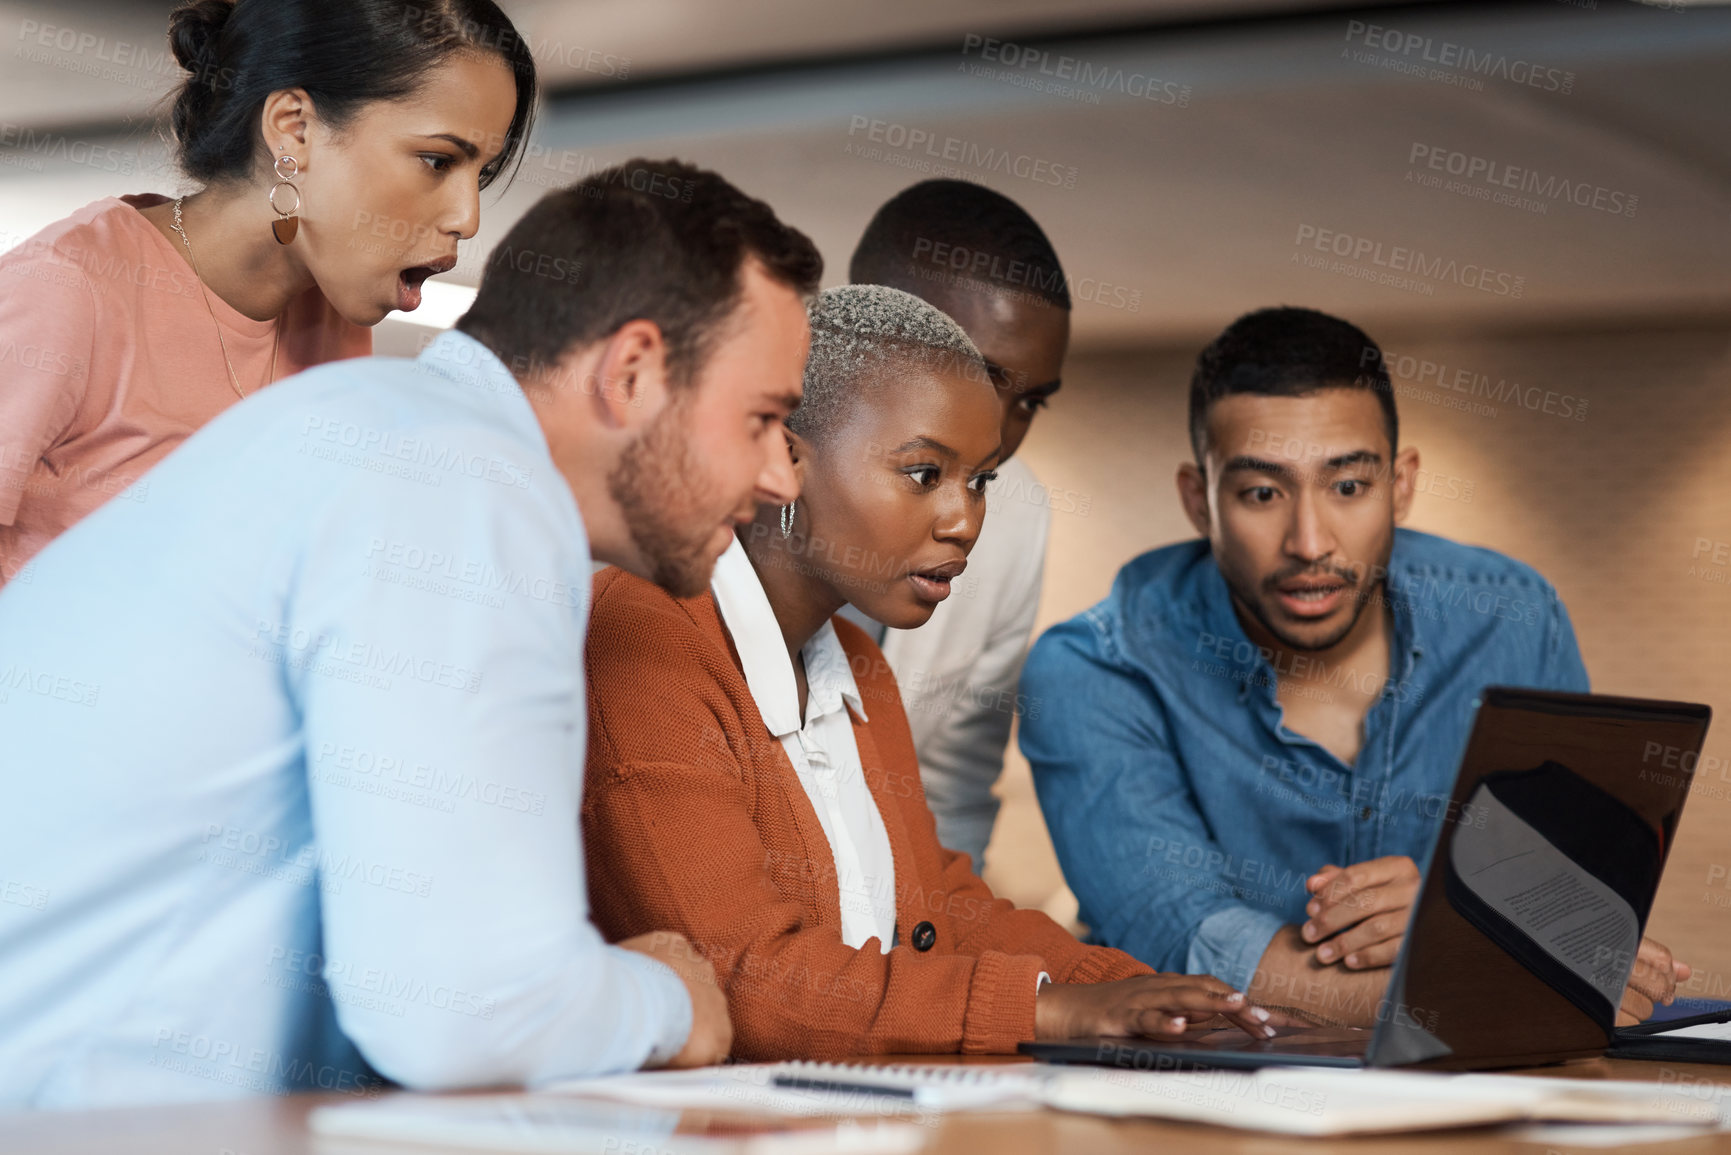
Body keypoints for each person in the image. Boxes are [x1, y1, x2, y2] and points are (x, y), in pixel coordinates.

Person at [0, 158, 819, 1108]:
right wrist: (670, 1000)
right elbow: (459, 1009)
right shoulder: (459, 482)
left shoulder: (377, 433)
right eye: (763, 419)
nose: (781, 479)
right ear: (630, 371)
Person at [581, 284, 1274, 1061]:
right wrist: (1050, 1009)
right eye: (923, 474)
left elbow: (935, 906)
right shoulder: (642, 634)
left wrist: (1146, 994)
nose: (964, 520)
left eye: (978, 480)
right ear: (783, 457)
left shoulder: (860, 664)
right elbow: (740, 974)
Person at [1020, 306, 1688, 1028]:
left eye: (1346, 486)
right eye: (1261, 493)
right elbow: (1189, 944)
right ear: (1198, 501)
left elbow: (1577, 906)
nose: (1309, 542)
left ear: (1399, 484)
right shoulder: (1093, 668)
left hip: (1475, 1096)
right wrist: (1500, 966)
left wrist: (1462, 913)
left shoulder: (1513, 617)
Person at [0, 0, 540, 585]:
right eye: (437, 161)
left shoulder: (334, 322)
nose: (468, 217)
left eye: (480, 174)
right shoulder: (65, 289)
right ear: (294, 128)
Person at [843, 180, 1071, 872]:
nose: (999, 435)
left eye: (1029, 400)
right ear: (860, 331)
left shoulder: (1017, 515)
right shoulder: (711, 495)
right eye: (977, 372)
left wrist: (938, 959)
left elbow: (949, 786)